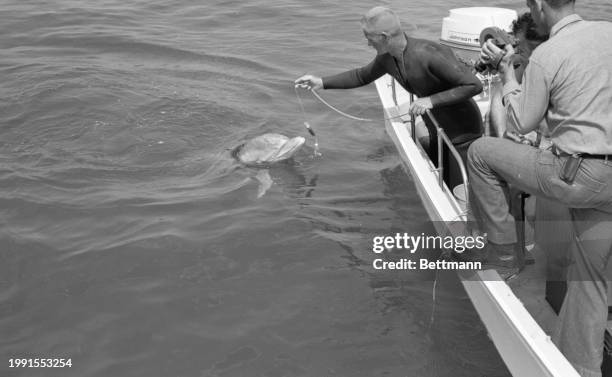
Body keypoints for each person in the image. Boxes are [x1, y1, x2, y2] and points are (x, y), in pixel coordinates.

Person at [470, 0, 612, 375]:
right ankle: (579, 367)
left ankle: (502, 256)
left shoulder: (549, 54)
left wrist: (508, 77)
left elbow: (520, 122)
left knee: (482, 152)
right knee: (591, 277)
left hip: (578, 177)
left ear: (538, 6)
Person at [294, 6, 483, 164]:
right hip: (437, 130)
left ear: (384, 37)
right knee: (437, 173)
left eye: (369, 38)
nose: (368, 44)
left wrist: (430, 101)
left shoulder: (430, 53)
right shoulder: (387, 58)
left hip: (464, 135)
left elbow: (473, 85)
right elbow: (361, 76)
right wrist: (321, 82)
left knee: (460, 191)